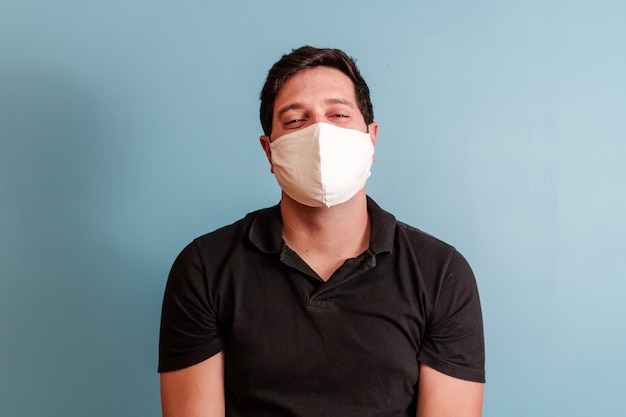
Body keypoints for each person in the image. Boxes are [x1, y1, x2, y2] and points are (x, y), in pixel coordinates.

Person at [159, 46, 485, 417]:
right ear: (270, 151)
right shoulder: (205, 268)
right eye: (296, 121)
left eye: (338, 114)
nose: (320, 135)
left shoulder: (440, 273)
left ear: (371, 138)